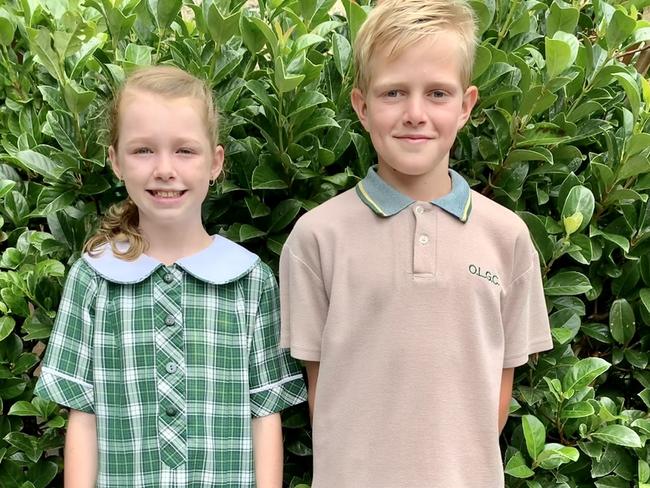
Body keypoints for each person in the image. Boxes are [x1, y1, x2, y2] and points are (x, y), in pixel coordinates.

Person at [279, 1, 553, 486]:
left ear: (466, 106)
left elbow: (501, 382)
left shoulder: (506, 236)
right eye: (393, 93)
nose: (415, 113)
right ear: (362, 107)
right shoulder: (317, 237)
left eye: (438, 93)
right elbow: (321, 384)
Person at [35, 65, 307, 488]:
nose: (165, 168)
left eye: (185, 150)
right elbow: (83, 417)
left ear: (215, 162)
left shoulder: (249, 280)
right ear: (116, 160)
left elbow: (265, 415)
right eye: (143, 150)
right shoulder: (93, 279)